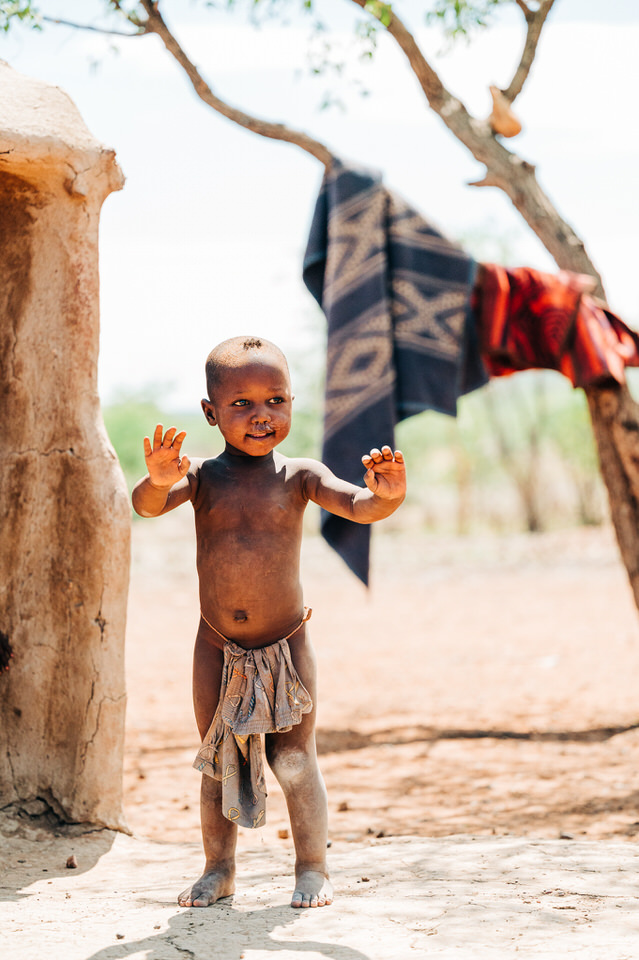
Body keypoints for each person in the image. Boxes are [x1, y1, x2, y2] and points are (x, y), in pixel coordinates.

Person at [132, 335, 406, 910]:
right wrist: (158, 479)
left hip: (287, 644)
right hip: (216, 645)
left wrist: (387, 497)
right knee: (216, 758)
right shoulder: (203, 477)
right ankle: (219, 869)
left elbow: (358, 505)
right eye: (242, 404)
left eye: (275, 400)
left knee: (294, 759)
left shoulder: (300, 475)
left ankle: (312, 868)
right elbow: (147, 505)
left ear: (291, 403)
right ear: (210, 413)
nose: (262, 415)